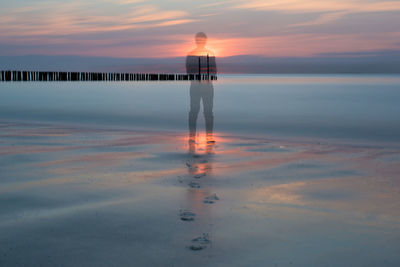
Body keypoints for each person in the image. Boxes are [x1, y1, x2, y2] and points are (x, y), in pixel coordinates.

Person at [186, 32, 217, 149]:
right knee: (204, 112)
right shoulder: (210, 54)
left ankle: (195, 137)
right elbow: (214, 71)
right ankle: (204, 137)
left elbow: (189, 72)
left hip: (198, 85)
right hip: (204, 86)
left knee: (197, 111)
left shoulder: (191, 55)